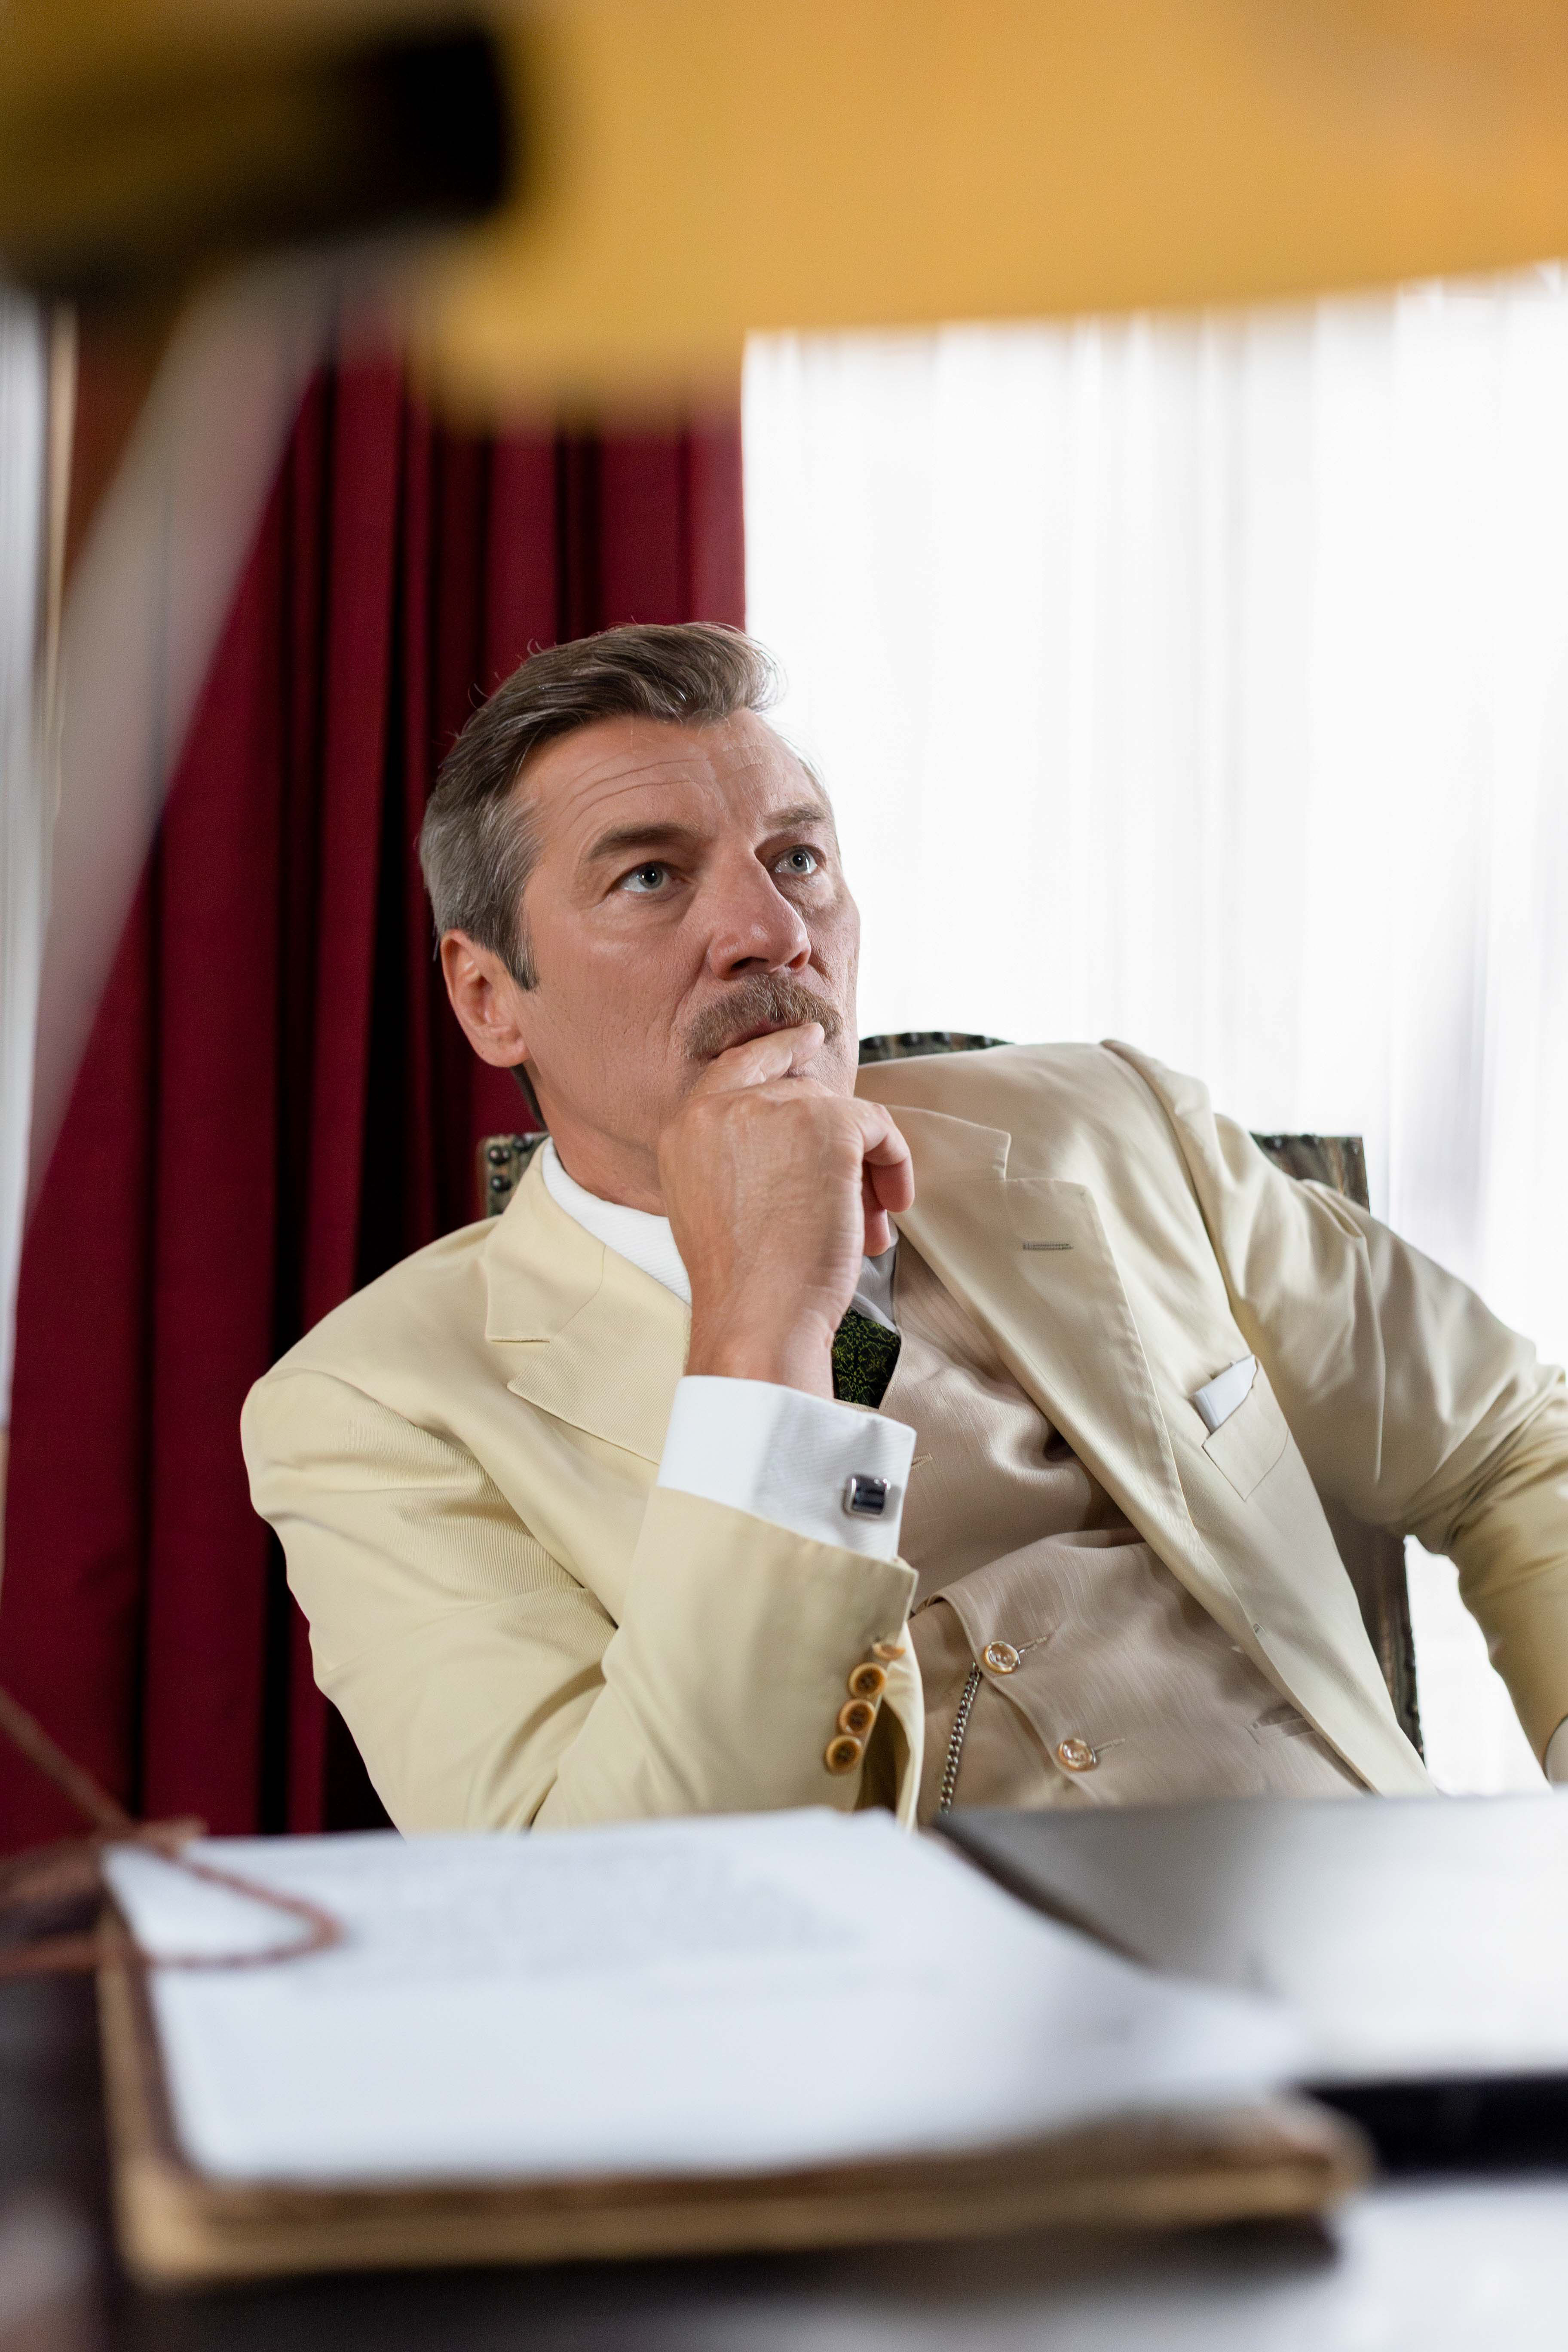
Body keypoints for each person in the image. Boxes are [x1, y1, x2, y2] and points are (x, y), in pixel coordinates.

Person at [242, 623, 1568, 1831]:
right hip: (906, 2017)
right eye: (650, 877)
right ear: (489, 997)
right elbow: (609, 1897)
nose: (772, 933)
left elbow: (1511, 1441)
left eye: (798, 859)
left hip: (1372, 1948)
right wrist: (762, 1325)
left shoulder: (1103, 1126)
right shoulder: (376, 1410)